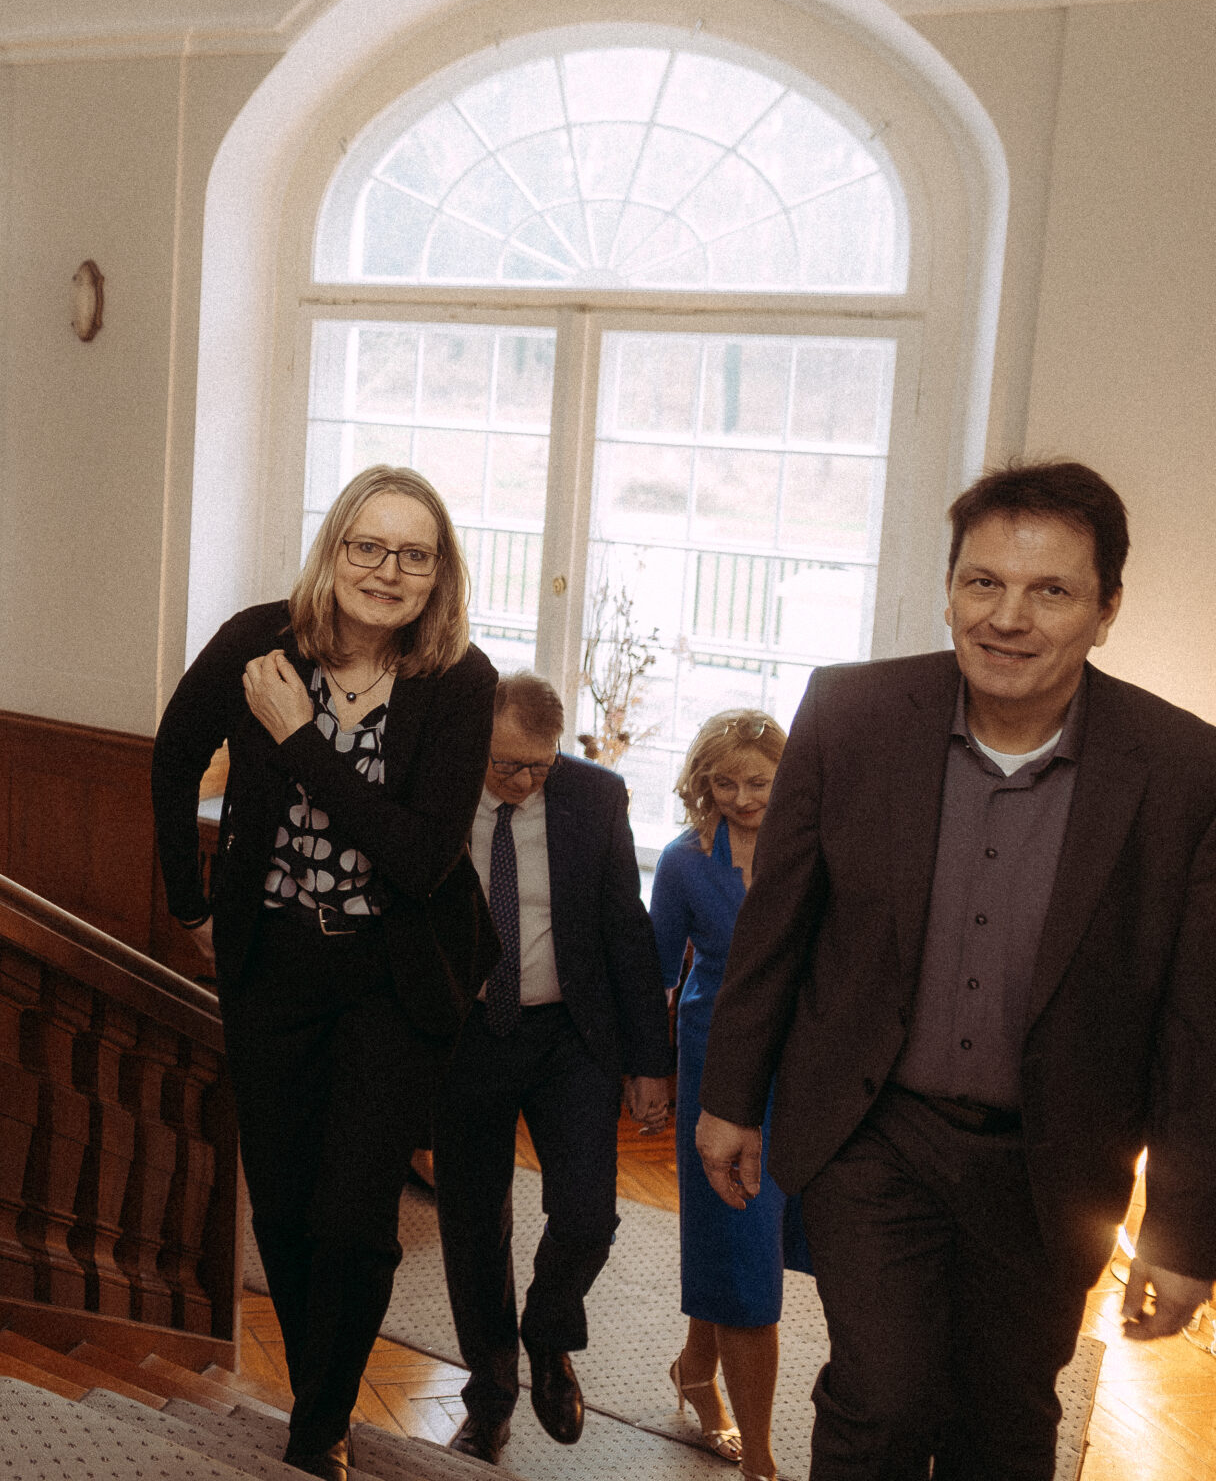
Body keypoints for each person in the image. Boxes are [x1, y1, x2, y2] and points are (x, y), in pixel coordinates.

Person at [698, 459, 1216, 1480]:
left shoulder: (1183, 771)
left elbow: (1198, 1023)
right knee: (881, 1398)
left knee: (1006, 1419)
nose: (1007, 618)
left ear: (1106, 610)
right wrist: (730, 1097)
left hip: (1052, 1168)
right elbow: (777, 925)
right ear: (948, 591)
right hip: (872, 1134)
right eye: (983, 582)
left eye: (1050, 590)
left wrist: (1185, 1229)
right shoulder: (849, 715)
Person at [151, 464, 498, 1479]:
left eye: (414, 555)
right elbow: (172, 756)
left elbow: (419, 855)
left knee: (356, 1223)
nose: (388, 571)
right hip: (273, 972)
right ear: (334, 548)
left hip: (395, 981)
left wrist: (300, 740)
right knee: (288, 1210)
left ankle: (316, 1429)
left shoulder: (460, 681)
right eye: (368, 546)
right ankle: (323, 1402)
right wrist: (189, 901)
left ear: (439, 573)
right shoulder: (257, 642)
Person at [434, 672, 674, 1463]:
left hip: (569, 1036)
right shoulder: (436, 792)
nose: (524, 782)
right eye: (507, 765)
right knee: (474, 1226)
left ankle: (547, 1331)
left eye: (540, 765)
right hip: (466, 1036)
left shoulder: (594, 798)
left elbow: (626, 929)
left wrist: (649, 1060)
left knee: (587, 1215)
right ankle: (490, 1399)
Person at [651, 708, 802, 1481]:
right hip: (715, 1068)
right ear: (702, 784)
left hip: (800, 1070)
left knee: (747, 1243)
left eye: (760, 783)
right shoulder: (682, 863)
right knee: (742, 1255)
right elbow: (657, 972)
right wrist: (649, 1071)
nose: (743, 799)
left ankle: (693, 1367)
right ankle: (761, 1463)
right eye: (725, 784)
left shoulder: (812, 850)